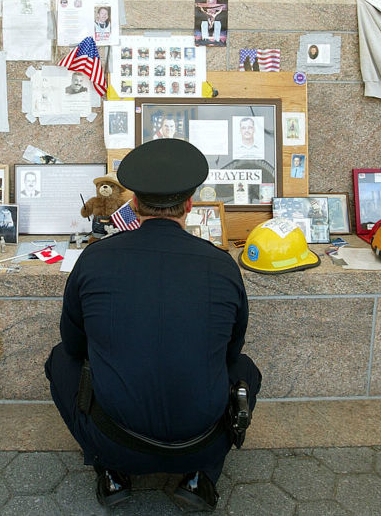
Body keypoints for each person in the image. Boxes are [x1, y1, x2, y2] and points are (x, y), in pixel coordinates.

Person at [45, 139, 261, 511]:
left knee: (59, 361)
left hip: (114, 439)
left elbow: (74, 345)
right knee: (245, 370)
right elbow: (231, 350)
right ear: (190, 205)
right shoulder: (222, 264)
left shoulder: (95, 259)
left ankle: (111, 473)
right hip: (201, 441)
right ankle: (200, 476)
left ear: (134, 205)